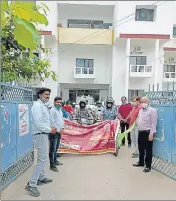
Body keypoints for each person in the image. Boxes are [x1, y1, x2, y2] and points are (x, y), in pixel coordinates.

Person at [25, 88, 56, 197]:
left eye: (48, 94)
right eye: (46, 94)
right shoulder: (37, 106)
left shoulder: (43, 105)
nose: (47, 96)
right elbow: (38, 123)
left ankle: (41, 178)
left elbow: (44, 121)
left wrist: (49, 128)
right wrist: (49, 129)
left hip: (43, 134)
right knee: (42, 160)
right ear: (40, 95)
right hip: (40, 135)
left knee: (42, 159)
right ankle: (32, 184)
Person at [133, 96, 158, 173]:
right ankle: (141, 162)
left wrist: (151, 134)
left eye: (144, 101)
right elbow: (138, 119)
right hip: (140, 132)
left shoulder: (152, 111)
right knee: (141, 148)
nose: (143, 103)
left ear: (148, 102)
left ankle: (148, 166)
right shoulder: (141, 110)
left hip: (147, 133)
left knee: (148, 150)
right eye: (142, 102)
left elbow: (154, 123)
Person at [49, 97, 65, 172]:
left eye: (60, 102)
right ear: (54, 102)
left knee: (56, 148)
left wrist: (62, 128)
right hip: (54, 132)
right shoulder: (52, 111)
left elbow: (61, 120)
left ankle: (55, 161)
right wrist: (59, 130)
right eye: (57, 102)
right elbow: (52, 122)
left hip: (59, 132)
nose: (59, 104)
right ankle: (52, 165)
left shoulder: (60, 110)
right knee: (52, 149)